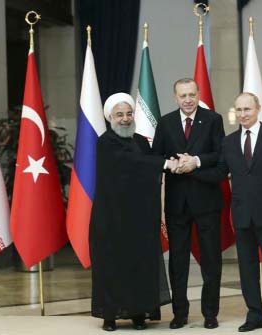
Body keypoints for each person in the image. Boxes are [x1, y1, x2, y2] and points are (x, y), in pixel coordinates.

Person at [191, 92, 262, 332]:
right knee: (247, 270)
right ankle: (254, 316)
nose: (242, 114)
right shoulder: (228, 142)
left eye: (247, 109)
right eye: (238, 110)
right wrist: (193, 168)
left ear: (258, 109)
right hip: (241, 216)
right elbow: (219, 172)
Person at [89, 93, 173, 331]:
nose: (125, 119)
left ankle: (139, 313)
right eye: (120, 114)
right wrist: (165, 164)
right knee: (112, 266)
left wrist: (171, 162)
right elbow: (130, 163)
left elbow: (146, 173)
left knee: (140, 264)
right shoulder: (106, 142)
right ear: (110, 118)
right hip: (111, 218)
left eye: (128, 113)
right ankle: (110, 316)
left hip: (139, 217)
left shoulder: (141, 141)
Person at [152, 78, 225, 329]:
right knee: (178, 261)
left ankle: (210, 314)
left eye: (192, 94)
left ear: (198, 94)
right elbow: (156, 156)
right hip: (176, 204)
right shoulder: (165, 122)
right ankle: (179, 314)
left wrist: (196, 161)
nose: (188, 99)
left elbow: (220, 155)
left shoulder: (213, 120)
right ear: (175, 97)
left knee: (211, 260)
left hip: (206, 200)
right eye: (183, 95)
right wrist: (170, 164)